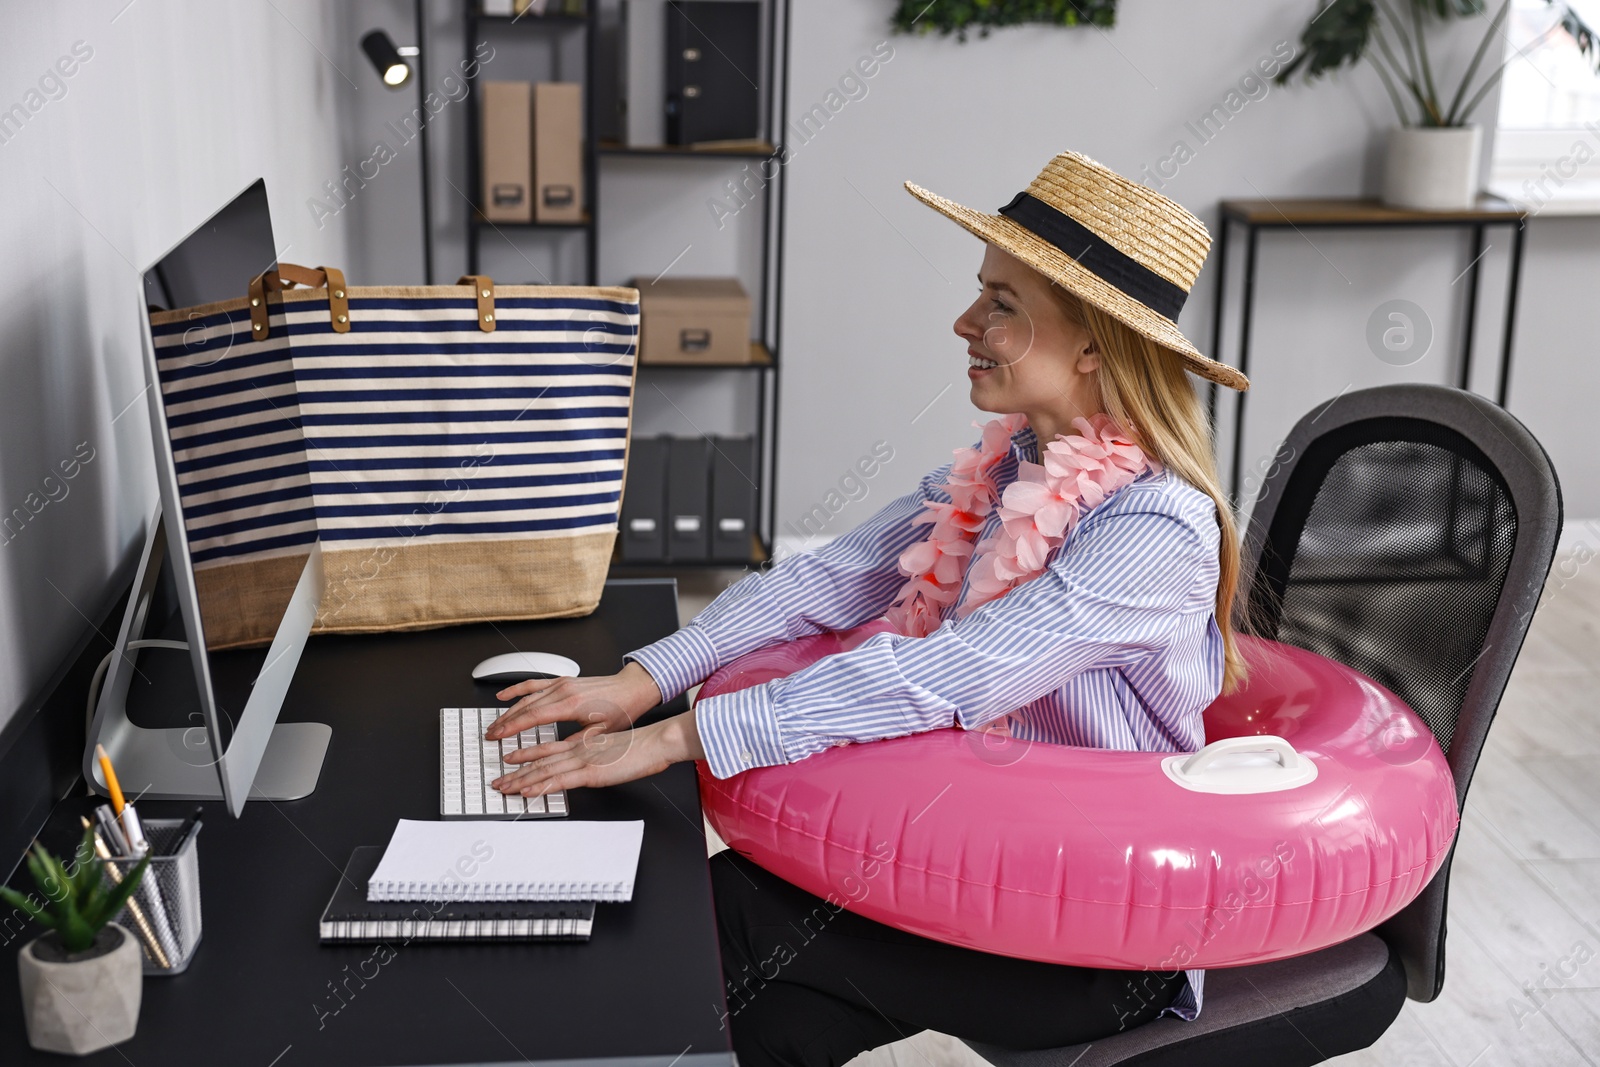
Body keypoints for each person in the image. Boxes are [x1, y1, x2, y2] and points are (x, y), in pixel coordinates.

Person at [484, 150, 1253, 1067]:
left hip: (1103, 930)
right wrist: (640, 679)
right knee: (773, 1025)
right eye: (982, 292)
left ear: (1093, 346)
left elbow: (949, 672)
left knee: (734, 917)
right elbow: (830, 574)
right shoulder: (1004, 469)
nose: (965, 320)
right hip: (985, 861)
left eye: (1002, 304)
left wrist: (669, 738)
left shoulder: (1156, 526)